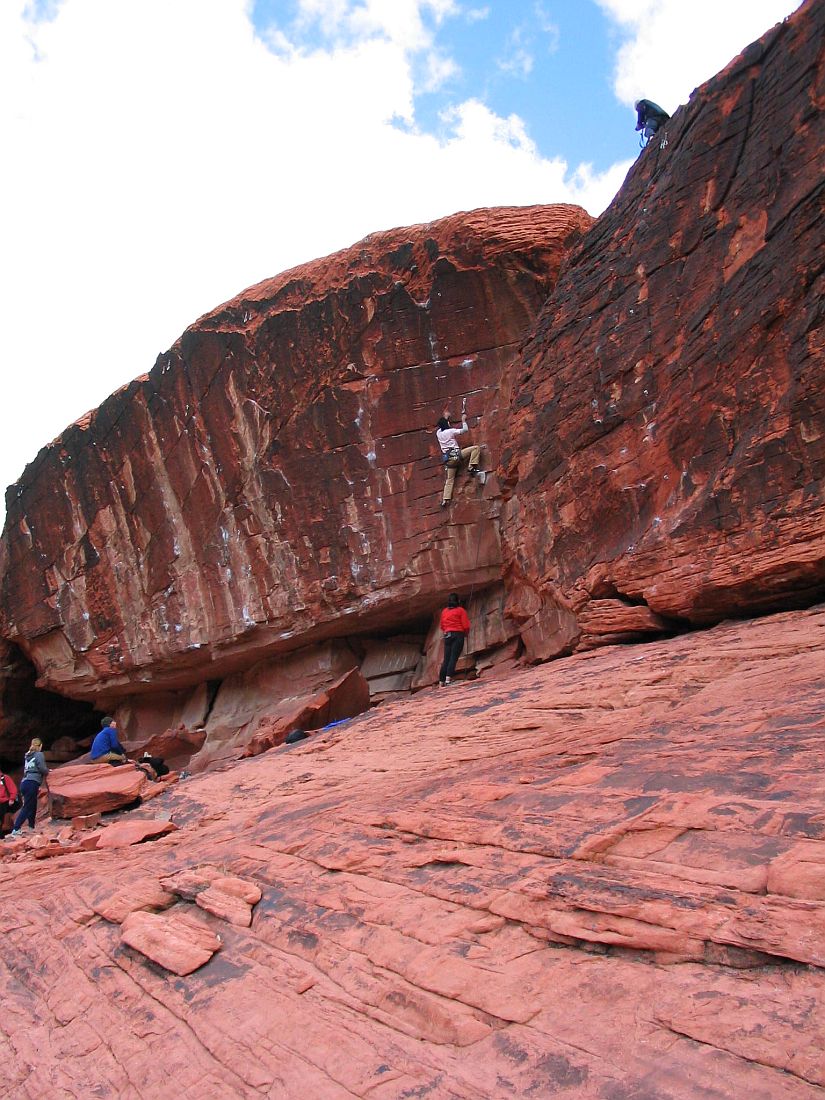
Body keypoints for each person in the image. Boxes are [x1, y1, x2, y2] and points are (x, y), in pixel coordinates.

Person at [436, 408, 482, 508]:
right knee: (476, 448)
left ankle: (445, 499)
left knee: (450, 479)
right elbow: (465, 430)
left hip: (449, 461)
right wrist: (464, 420)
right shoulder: (450, 431)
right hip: (457, 456)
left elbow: (441, 425)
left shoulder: (438, 434)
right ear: (447, 424)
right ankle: (471, 467)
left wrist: (446, 417)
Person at [9, 738, 49, 837]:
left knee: (33, 804)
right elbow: (42, 768)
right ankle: (16, 829)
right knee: (27, 806)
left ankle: (31, 826)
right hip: (32, 782)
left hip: (25, 782)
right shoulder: (39, 754)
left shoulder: (27, 755)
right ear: (40, 746)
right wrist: (48, 771)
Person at [438, 592, 471, 686]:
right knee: (453, 657)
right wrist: (466, 634)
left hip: (447, 635)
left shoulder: (444, 611)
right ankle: (448, 679)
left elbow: (442, 625)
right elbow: (465, 625)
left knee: (446, 659)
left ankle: (441, 681)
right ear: (458, 601)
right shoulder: (461, 610)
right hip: (458, 635)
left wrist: (447, 630)